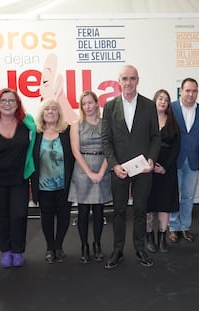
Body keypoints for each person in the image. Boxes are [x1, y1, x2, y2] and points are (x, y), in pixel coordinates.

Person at [101, 65, 161, 269]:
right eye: (125, 78)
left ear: (138, 80)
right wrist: (114, 165)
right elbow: (106, 140)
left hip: (143, 169)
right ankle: (117, 249)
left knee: (140, 210)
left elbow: (155, 137)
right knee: (118, 211)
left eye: (132, 78)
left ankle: (140, 248)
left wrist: (152, 160)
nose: (128, 82)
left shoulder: (149, 105)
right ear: (119, 81)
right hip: (119, 170)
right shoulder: (109, 107)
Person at [0, 88, 36, 268]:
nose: (7, 104)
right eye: (3, 100)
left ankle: (18, 250)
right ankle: (6, 251)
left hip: (19, 180)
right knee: (2, 216)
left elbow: (42, 136)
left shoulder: (27, 123)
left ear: (17, 104)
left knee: (19, 215)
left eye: (11, 101)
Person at [68, 91, 112, 263]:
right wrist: (89, 173)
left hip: (102, 167)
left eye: (90, 103)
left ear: (96, 103)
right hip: (82, 170)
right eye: (84, 104)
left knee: (99, 210)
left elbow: (110, 150)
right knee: (83, 212)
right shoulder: (76, 125)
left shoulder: (106, 125)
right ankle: (84, 246)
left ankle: (97, 244)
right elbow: (75, 151)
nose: (87, 106)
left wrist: (100, 172)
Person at [31, 99, 74, 263]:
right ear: (42, 113)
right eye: (47, 109)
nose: (50, 111)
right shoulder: (36, 133)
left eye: (54, 109)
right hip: (43, 186)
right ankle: (50, 247)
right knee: (46, 217)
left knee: (64, 216)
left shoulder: (67, 132)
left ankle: (59, 246)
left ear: (59, 113)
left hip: (64, 184)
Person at [169, 78, 199, 243]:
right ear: (181, 90)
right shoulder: (171, 108)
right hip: (174, 160)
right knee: (173, 195)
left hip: (194, 161)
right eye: (187, 90)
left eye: (194, 91)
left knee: (188, 196)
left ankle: (184, 227)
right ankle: (173, 228)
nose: (190, 94)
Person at [145, 89, 180, 254]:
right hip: (148, 170)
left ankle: (162, 237)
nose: (163, 102)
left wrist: (164, 166)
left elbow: (176, 148)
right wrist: (150, 165)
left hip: (167, 171)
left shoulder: (173, 124)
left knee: (164, 205)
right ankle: (149, 237)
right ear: (155, 100)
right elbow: (141, 146)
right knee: (149, 206)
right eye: (160, 98)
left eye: (166, 99)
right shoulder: (146, 122)